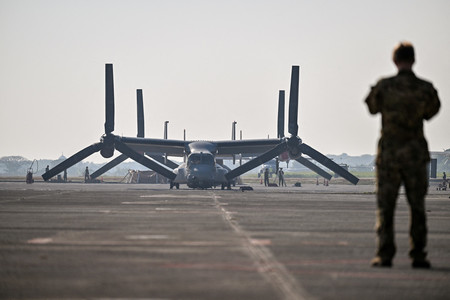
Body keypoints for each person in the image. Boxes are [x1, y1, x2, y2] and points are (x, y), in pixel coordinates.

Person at [365, 42, 440, 268]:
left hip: (389, 156)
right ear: (414, 60)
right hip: (415, 155)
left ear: (394, 61)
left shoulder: (384, 86)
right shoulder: (425, 88)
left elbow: (371, 107)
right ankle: (418, 254)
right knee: (417, 206)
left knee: (386, 207)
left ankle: (384, 254)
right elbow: (432, 112)